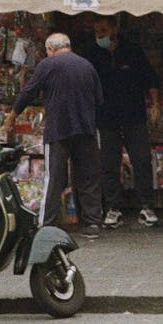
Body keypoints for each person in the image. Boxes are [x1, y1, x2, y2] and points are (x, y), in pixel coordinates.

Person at [8, 32, 103, 235]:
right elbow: (98, 99)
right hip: (86, 129)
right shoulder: (87, 65)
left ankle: (48, 223)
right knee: (88, 176)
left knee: (54, 177)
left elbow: (29, 91)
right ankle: (93, 222)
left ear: (50, 49)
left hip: (59, 129)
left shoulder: (47, 65)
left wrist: (13, 114)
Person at [89, 15, 161, 228]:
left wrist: (155, 104)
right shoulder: (93, 54)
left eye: (103, 30)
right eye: (96, 31)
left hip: (134, 116)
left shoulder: (133, 51)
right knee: (109, 163)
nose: (99, 35)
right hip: (106, 117)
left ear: (114, 29)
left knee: (141, 161)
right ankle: (113, 208)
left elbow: (151, 79)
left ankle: (147, 206)